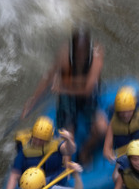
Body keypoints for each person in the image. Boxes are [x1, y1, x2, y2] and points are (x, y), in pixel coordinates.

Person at [21, 27, 107, 165]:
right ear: (72, 49)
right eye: (78, 52)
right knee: (68, 132)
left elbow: (87, 89)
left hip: (82, 93)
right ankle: (66, 163)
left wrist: (62, 89)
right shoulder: (64, 55)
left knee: (101, 129)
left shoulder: (96, 56)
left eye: (84, 52)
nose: (80, 56)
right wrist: (33, 101)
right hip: (68, 95)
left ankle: (85, 150)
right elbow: (48, 77)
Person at [3, 116, 76, 189]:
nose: (37, 142)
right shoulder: (24, 149)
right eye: (35, 138)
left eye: (41, 140)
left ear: (48, 139)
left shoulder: (56, 145)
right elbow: (14, 174)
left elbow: (70, 150)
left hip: (54, 180)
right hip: (32, 186)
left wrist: (68, 139)